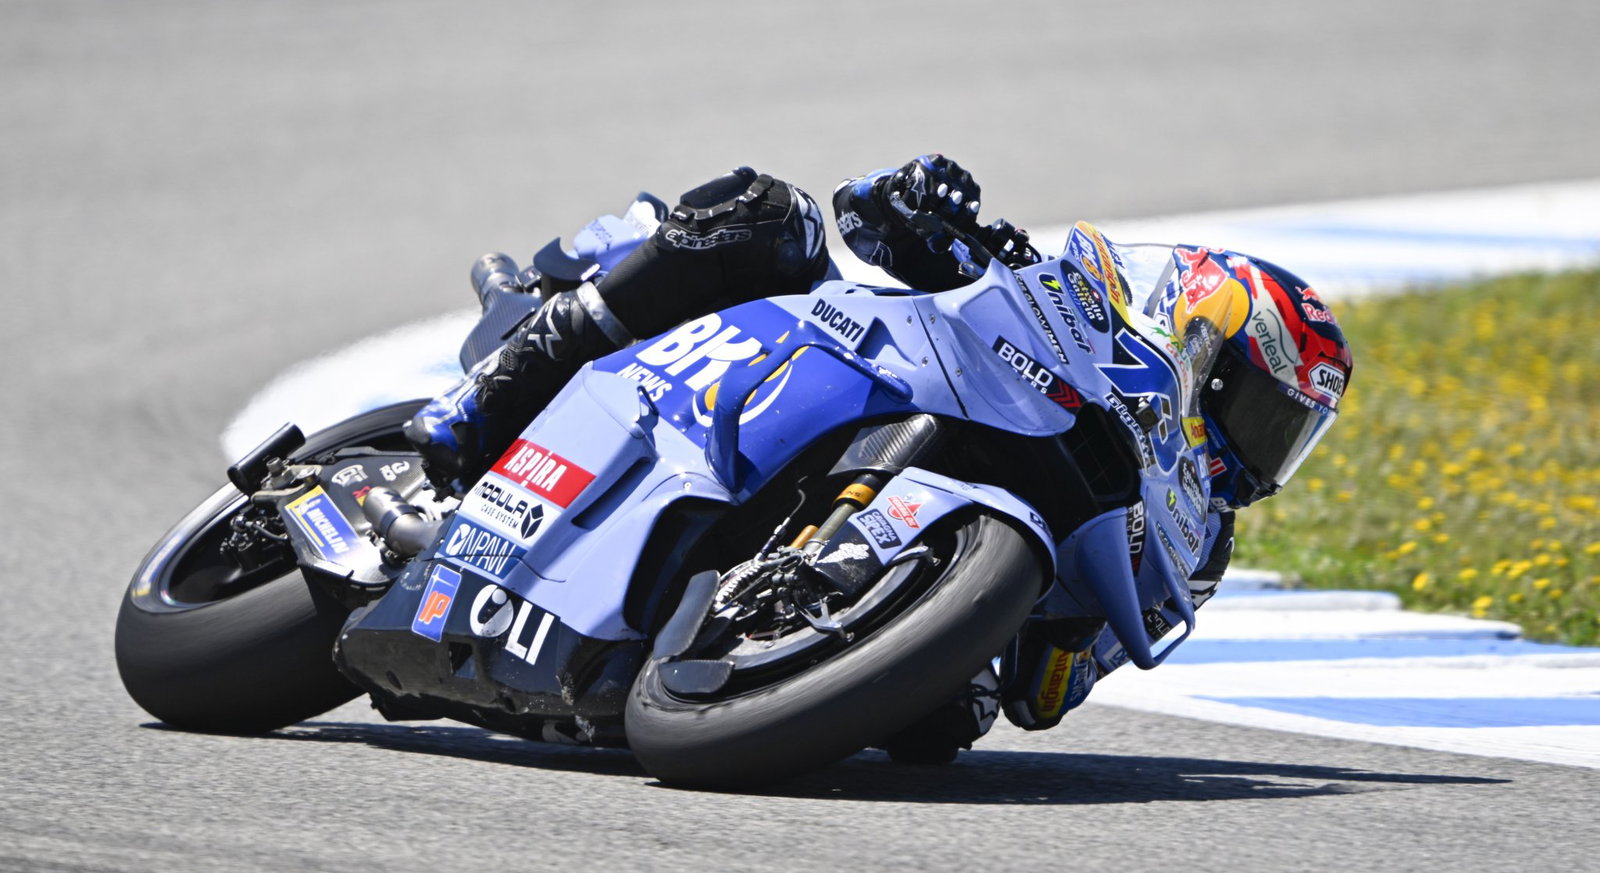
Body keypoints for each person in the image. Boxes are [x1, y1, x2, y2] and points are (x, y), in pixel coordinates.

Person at [405, 155, 1353, 762]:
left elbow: (1046, 699)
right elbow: (867, 215)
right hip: (832, 360)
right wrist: (924, 206)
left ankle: (745, 634)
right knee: (762, 213)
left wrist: (1064, 629)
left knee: (942, 731)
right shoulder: (1072, 300)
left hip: (903, 628)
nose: (1262, 451)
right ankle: (491, 390)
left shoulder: (1197, 545)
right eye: (1263, 413)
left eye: (1289, 438)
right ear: (1200, 341)